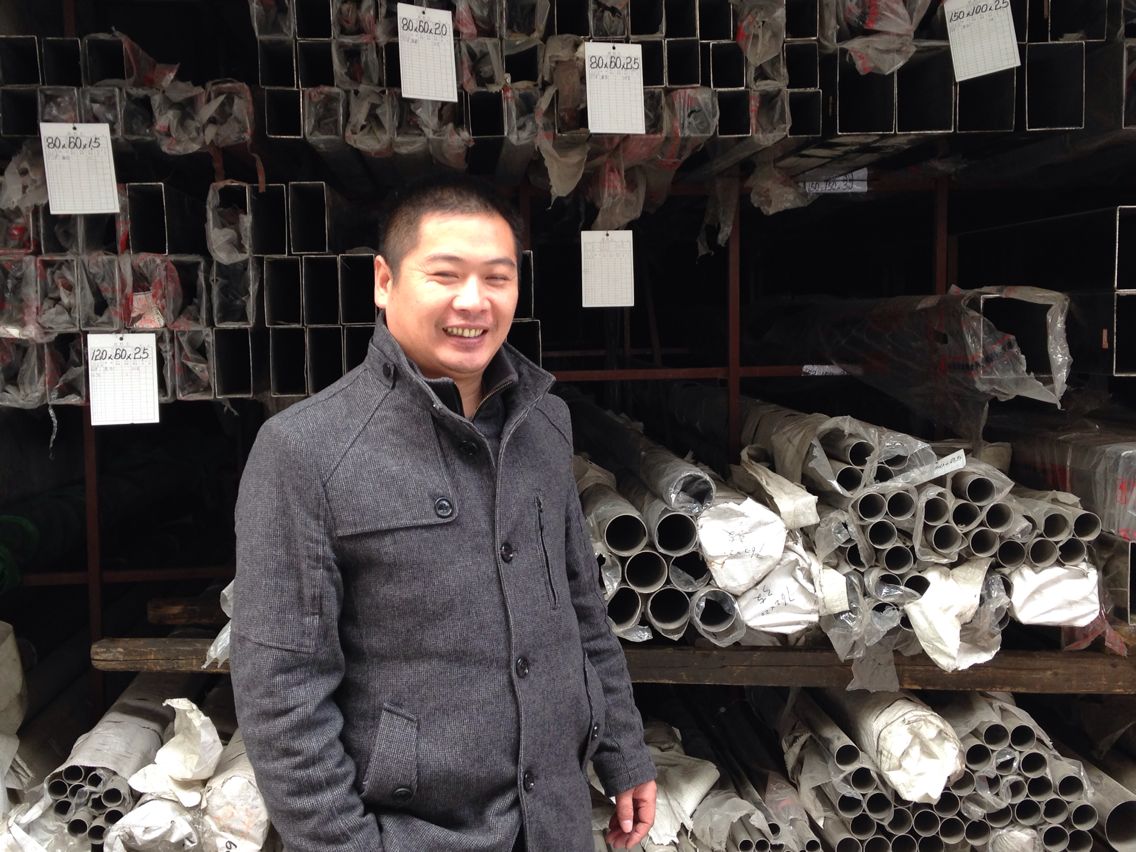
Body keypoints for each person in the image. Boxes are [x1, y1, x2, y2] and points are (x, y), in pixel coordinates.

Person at [231, 175, 657, 852]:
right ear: (384, 281)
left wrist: (623, 751)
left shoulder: (545, 424)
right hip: (412, 834)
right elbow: (281, 694)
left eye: (497, 277)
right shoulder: (306, 450)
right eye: (445, 275)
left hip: (554, 821)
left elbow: (580, 607)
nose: (473, 301)